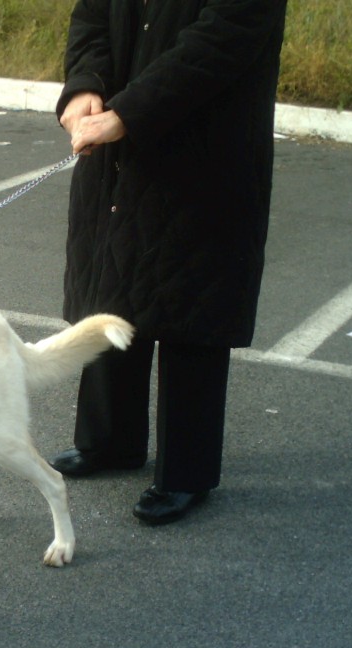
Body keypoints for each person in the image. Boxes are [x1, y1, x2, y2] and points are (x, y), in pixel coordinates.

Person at [50, 0, 288, 525]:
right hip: (116, 145)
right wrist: (86, 85)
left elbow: (224, 37)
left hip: (204, 153)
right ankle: (110, 442)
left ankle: (186, 473)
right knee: (112, 288)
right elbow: (92, 15)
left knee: (191, 304)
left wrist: (129, 112)